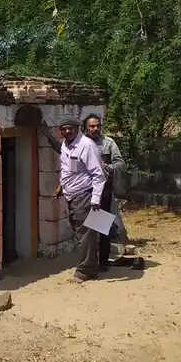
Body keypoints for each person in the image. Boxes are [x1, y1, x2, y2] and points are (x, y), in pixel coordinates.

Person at [39, 116, 107, 283]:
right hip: (73, 195)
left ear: (78, 128)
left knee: (85, 234)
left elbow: (98, 175)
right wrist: (61, 187)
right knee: (89, 232)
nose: (67, 131)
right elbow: (70, 169)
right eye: (64, 129)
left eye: (70, 128)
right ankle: (95, 265)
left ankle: (85, 271)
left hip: (86, 195)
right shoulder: (66, 145)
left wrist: (96, 199)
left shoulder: (86, 145)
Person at [83, 113, 128, 271]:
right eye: (91, 126)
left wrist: (108, 167)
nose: (95, 129)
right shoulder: (81, 143)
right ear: (86, 128)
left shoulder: (108, 143)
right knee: (87, 228)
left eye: (97, 126)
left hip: (103, 191)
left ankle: (102, 262)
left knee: (102, 226)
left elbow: (120, 162)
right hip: (85, 191)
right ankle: (88, 261)